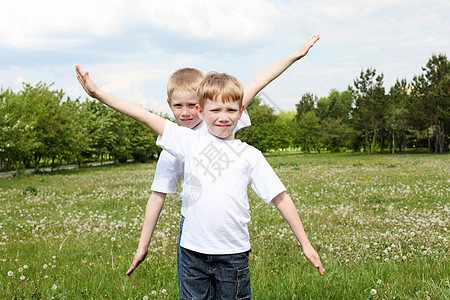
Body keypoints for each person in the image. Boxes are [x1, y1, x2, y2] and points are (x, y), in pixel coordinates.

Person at [77, 69, 324, 299]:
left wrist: (305, 243)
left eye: (230, 111)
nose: (223, 117)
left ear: (241, 111)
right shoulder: (187, 141)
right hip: (192, 252)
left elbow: (280, 197)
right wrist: (98, 94)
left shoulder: (250, 155)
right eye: (215, 110)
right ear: (201, 111)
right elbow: (142, 114)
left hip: (233, 255)